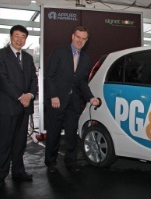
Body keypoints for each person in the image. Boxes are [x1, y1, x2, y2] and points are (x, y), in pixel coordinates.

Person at [44, 26, 100, 174]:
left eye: (84, 38)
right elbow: (49, 75)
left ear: (86, 41)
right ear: (72, 36)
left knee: (71, 134)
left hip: (73, 103)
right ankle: (50, 162)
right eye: (78, 37)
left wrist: (91, 97)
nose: (80, 41)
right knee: (54, 134)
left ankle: (71, 162)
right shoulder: (59, 52)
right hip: (56, 101)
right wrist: (53, 95)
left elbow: (82, 82)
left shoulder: (86, 59)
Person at [0, 25, 38, 188]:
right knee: (5, 142)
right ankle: (0, 175)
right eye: (17, 36)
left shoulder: (28, 57)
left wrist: (30, 95)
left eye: (23, 36)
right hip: (8, 107)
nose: (20, 39)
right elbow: (3, 80)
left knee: (20, 142)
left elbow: (34, 79)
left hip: (24, 107)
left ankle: (18, 172)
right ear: (11, 37)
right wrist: (21, 96)